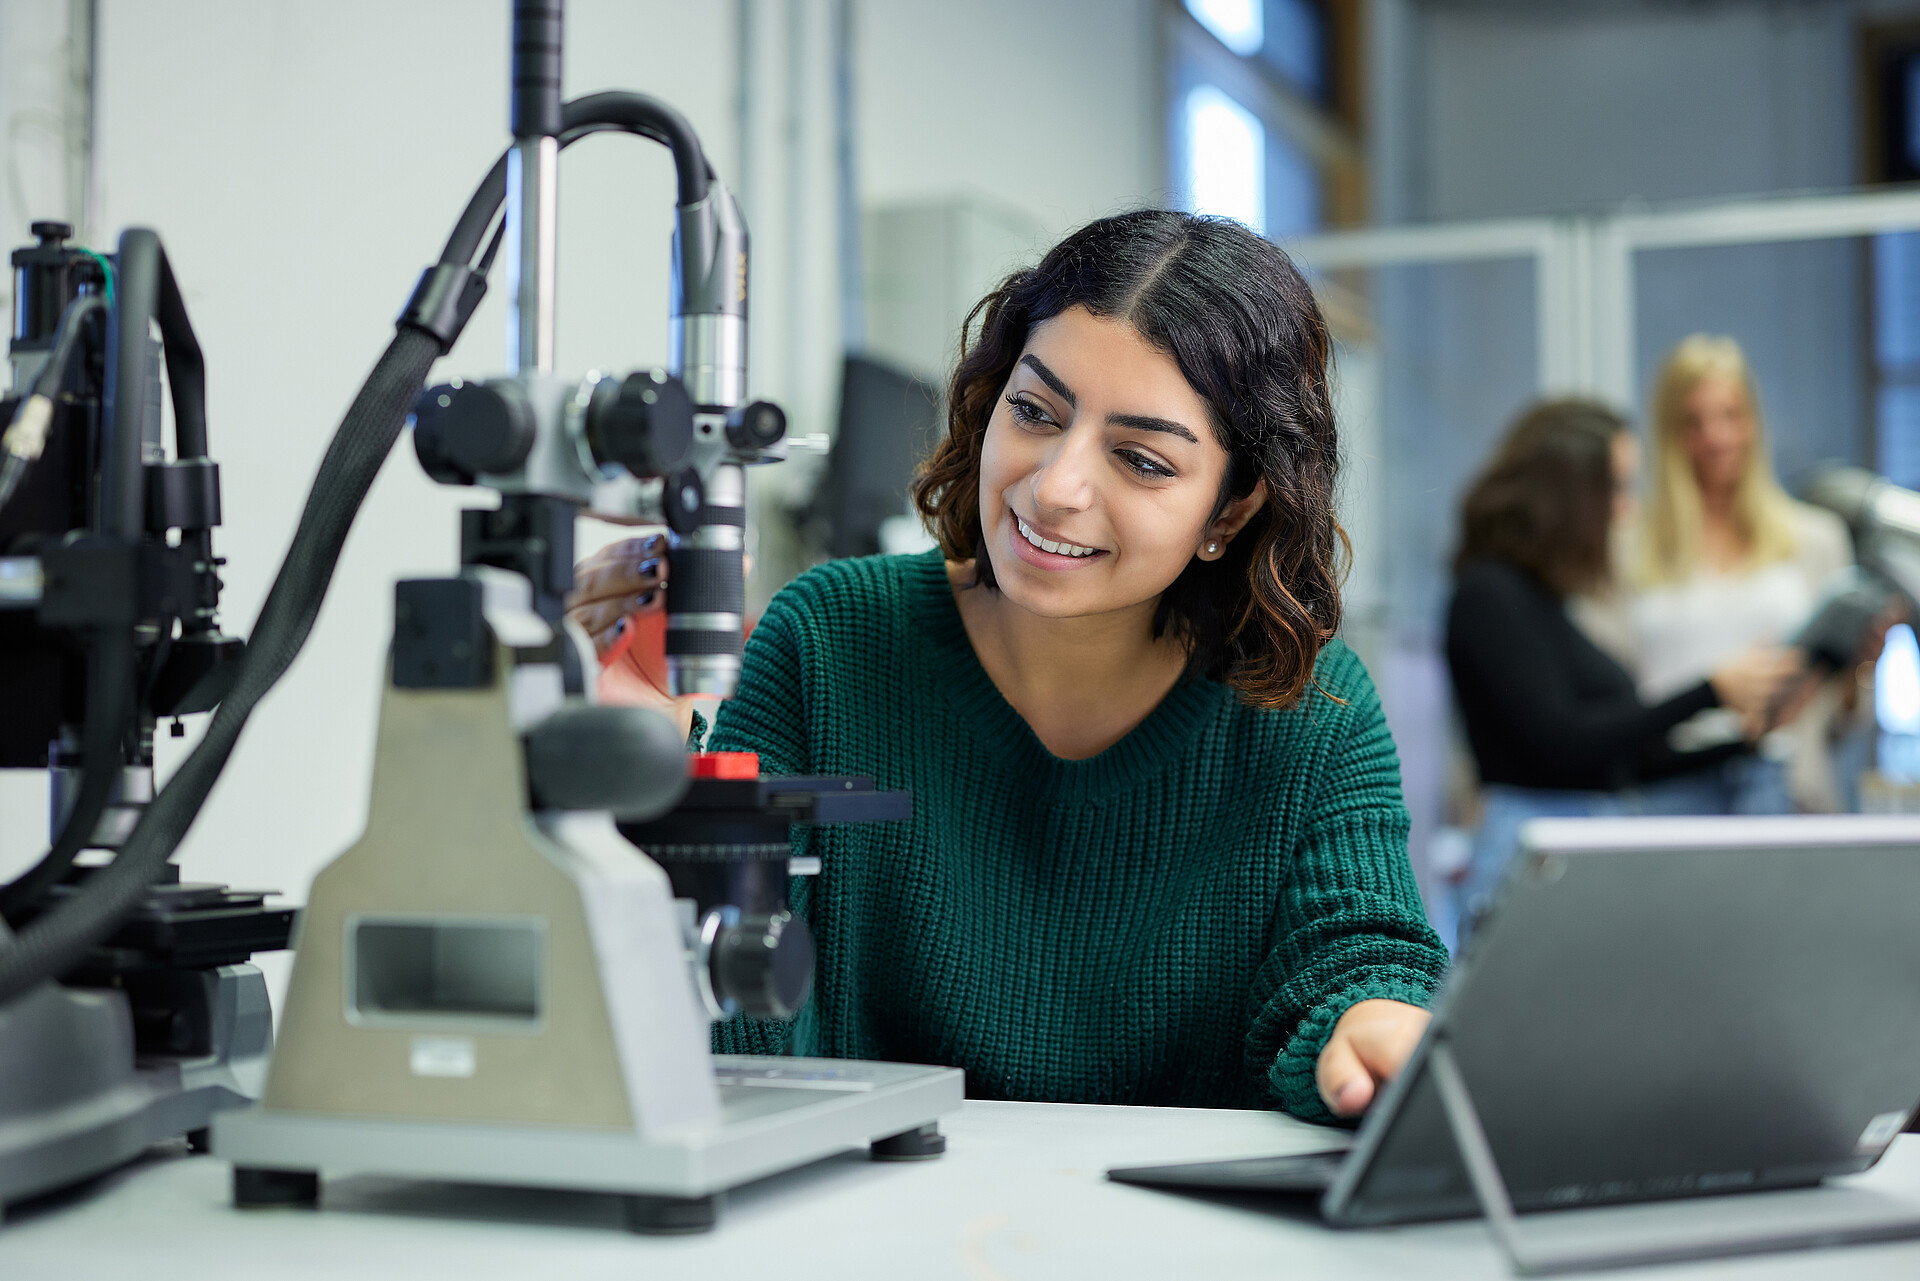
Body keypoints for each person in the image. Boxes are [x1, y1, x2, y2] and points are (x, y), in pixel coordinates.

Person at [568, 210, 1449, 1123]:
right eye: (1034, 412)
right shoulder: (828, 641)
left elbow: (1357, 960)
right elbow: (730, 1036)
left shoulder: (1317, 712)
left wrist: (1374, 1023)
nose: (1055, 487)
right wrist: (656, 800)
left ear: (1230, 510)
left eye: (1141, 460)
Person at [1445, 400, 1797, 938]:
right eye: (1616, 488)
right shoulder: (1489, 597)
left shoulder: (1542, 604)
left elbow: (1625, 763)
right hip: (1528, 864)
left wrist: (1744, 742)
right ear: (1568, 497)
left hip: (1569, 857)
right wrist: (1709, 691)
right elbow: (1561, 743)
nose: (1626, 510)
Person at [1618, 334, 1867, 813]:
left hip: (1783, 781)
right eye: (1694, 422)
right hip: (1665, 788)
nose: (1716, 437)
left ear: (1753, 422)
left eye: (1730, 415)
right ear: (1670, 433)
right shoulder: (1628, 544)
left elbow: (1839, 722)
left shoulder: (1815, 538)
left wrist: (1859, 668)